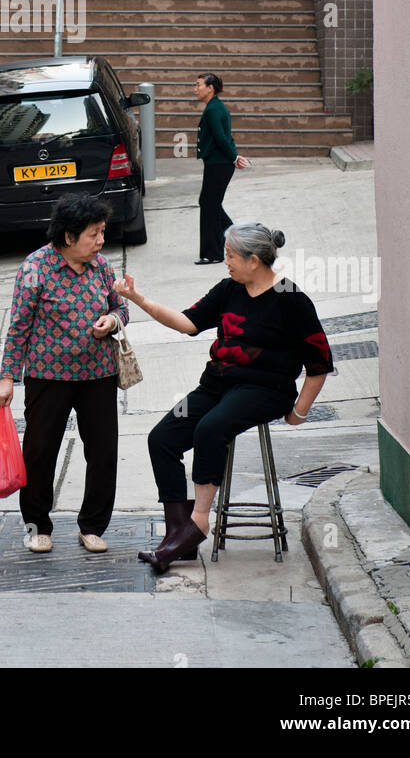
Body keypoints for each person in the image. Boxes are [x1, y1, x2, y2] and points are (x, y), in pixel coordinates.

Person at [115, 222, 334, 572]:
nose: (226, 262)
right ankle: (179, 537)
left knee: (210, 428)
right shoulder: (230, 288)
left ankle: (199, 521)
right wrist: (138, 300)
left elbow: (319, 362)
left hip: (266, 388)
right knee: (162, 438)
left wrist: (300, 411)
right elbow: (188, 323)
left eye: (231, 256)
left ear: (254, 260)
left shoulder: (292, 299)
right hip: (217, 384)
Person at [0, 194, 130, 554]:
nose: (101, 241)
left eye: (102, 232)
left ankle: (93, 525)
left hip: (98, 374)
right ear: (69, 237)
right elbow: (18, 328)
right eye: (94, 234)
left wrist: (112, 320)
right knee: (39, 451)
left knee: (103, 451)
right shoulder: (36, 269)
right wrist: (7, 377)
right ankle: (37, 526)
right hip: (48, 377)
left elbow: (120, 306)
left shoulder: (100, 267)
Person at [195, 72, 248, 265]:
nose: (196, 88)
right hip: (217, 163)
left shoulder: (214, 109)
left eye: (199, 85)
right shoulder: (214, 107)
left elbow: (221, 137)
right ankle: (240, 241)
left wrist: (234, 156)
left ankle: (214, 253)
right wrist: (233, 155)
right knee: (210, 203)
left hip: (219, 164)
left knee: (209, 205)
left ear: (210, 88)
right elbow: (226, 137)